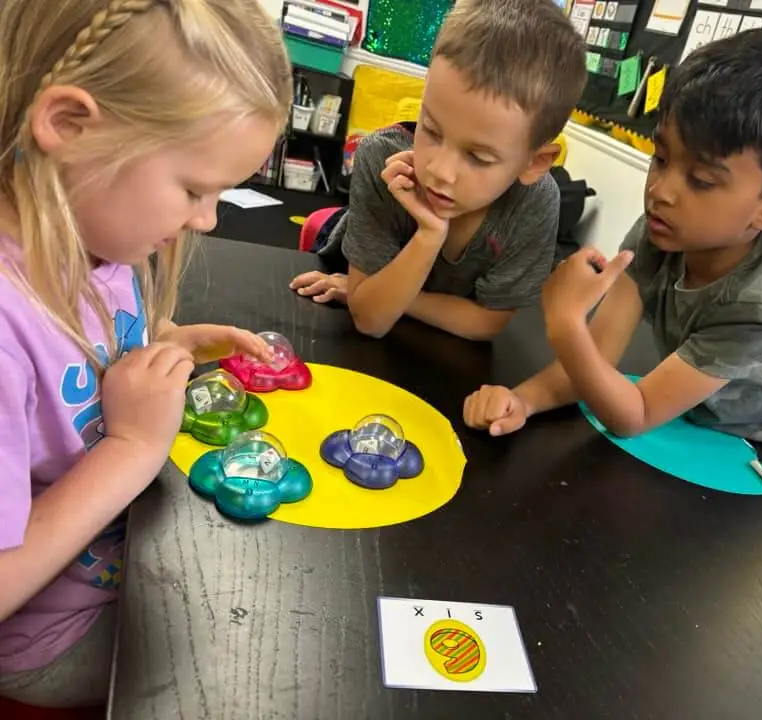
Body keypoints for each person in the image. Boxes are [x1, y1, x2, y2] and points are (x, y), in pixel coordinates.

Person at [0, 0, 291, 708]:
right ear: (69, 126)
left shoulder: (94, 237)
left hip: (130, 563)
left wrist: (159, 345)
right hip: (51, 641)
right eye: (195, 189)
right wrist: (132, 444)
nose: (207, 219)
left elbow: (74, 380)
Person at [463, 29, 762, 478]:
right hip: (733, 396)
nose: (660, 191)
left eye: (701, 180)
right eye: (661, 158)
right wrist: (525, 400)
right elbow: (597, 360)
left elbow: (634, 415)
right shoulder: (659, 233)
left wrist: (566, 323)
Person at [289, 0, 586, 341]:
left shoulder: (536, 203)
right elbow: (371, 319)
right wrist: (428, 237)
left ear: (534, 163)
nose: (441, 172)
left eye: (478, 157)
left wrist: (399, 297)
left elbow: (486, 324)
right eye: (431, 129)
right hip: (349, 274)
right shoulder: (380, 155)